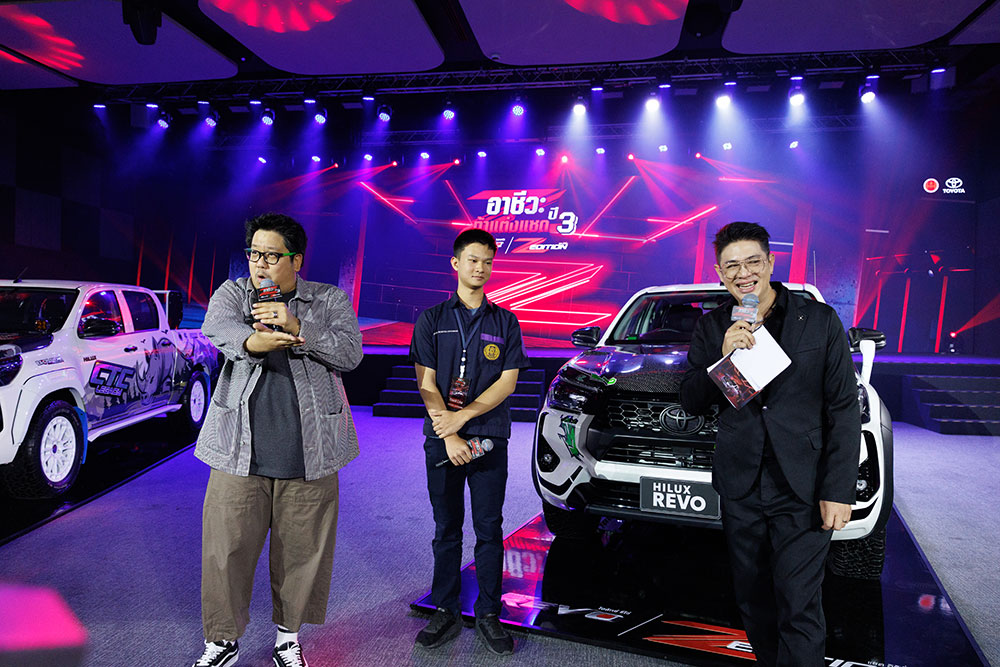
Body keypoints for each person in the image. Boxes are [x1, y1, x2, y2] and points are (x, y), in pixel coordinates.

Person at [679, 221, 861, 666]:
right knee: (754, 599)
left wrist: (838, 489)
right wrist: (723, 358)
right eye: (732, 266)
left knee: (799, 602)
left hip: (802, 485)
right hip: (741, 485)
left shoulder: (818, 320)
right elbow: (692, 401)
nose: (744, 274)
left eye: (752, 262)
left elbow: (843, 408)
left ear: (771, 262)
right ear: (720, 273)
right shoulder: (712, 327)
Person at [191, 213, 363, 667]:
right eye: (254, 254)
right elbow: (218, 327)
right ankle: (222, 641)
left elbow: (350, 353)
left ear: (296, 260)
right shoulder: (234, 293)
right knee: (225, 551)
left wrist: (297, 327)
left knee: (302, 552)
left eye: (271, 255)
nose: (260, 264)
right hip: (237, 449)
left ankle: (288, 638)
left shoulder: (328, 299)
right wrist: (253, 342)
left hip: (311, 451)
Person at [408, 229, 531, 655]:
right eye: (473, 260)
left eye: (488, 262)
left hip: (490, 437)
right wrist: (450, 433)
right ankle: (444, 609)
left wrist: (462, 418)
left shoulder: (505, 321)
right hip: (442, 441)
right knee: (446, 528)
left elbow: (507, 382)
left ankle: (489, 614)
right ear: (456, 263)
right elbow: (426, 383)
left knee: (489, 529)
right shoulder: (431, 319)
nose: (481, 268)